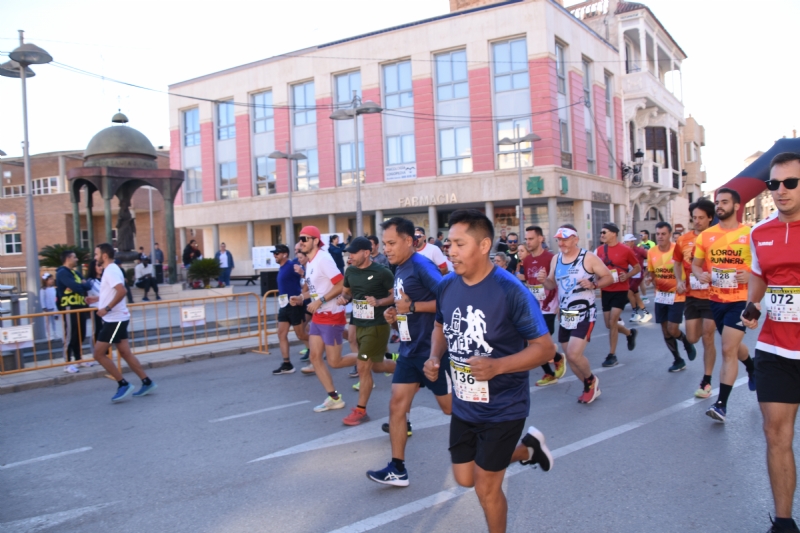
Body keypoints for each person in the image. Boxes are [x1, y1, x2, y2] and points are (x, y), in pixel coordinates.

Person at [423, 209, 555, 533]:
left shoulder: (511, 291)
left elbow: (545, 349)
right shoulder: (446, 285)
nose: (450, 251)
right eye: (448, 243)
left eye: (459, 243)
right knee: (464, 477)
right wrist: (434, 357)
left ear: (483, 246)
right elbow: (440, 325)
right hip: (465, 403)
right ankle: (527, 450)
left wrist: (497, 366)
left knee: (486, 487)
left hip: (504, 406)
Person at [366, 217, 450, 487]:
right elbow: (405, 304)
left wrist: (413, 308)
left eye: (392, 243)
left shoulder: (421, 266)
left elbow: (447, 301)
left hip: (432, 351)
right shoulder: (400, 268)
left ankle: (498, 436)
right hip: (409, 349)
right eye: (385, 244)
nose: (386, 249)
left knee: (451, 410)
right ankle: (397, 468)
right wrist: (395, 315)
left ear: (408, 241)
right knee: (396, 405)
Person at [742, 152, 800, 533]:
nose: (780, 191)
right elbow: (760, 278)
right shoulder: (759, 232)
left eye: (790, 183)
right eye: (773, 184)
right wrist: (752, 305)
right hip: (776, 347)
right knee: (775, 432)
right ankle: (783, 522)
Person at [692, 187, 756, 423]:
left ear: (737, 206)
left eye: (725, 202)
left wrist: (749, 275)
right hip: (715, 299)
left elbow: (763, 267)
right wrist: (700, 275)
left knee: (728, 348)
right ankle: (751, 365)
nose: (719, 206)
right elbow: (697, 266)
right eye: (717, 202)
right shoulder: (706, 236)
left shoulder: (751, 234)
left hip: (740, 300)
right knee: (733, 346)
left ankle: (721, 405)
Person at [538, 225, 614, 404]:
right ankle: (589, 385)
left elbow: (608, 277)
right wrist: (544, 281)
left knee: (573, 354)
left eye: (565, 239)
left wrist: (593, 285)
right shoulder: (556, 259)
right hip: (566, 314)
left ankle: (591, 380)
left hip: (584, 312)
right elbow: (551, 285)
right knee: (571, 358)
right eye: (559, 239)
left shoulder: (588, 258)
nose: (561, 243)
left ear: (575, 239)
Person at [291, 226, 354, 412]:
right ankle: (334, 397)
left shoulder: (323, 259)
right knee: (314, 356)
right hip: (319, 317)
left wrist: (320, 301)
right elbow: (315, 289)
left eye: (305, 238)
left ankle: (370, 357)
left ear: (316, 241)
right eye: (300, 238)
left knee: (335, 362)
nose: (301, 242)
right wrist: (302, 298)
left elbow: (341, 283)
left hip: (332, 315)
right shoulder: (310, 262)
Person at [337, 236, 397, 425]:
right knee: (377, 366)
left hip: (377, 325)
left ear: (366, 252)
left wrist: (379, 302)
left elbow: (394, 295)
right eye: (349, 253)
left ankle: (361, 411)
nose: (351, 256)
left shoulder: (382, 272)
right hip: (359, 323)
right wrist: (343, 298)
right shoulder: (351, 271)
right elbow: (346, 291)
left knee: (363, 366)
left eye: (354, 253)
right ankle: (410, 369)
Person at [87, 243, 157, 402]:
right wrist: (97, 299)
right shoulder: (112, 269)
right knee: (125, 352)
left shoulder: (110, 270)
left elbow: (122, 291)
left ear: (104, 256)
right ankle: (147, 382)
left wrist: (106, 308)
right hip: (119, 318)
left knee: (98, 354)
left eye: (96, 254)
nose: (95, 258)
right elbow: (112, 291)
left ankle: (122, 384)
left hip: (115, 319)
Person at [673, 199, 718, 397]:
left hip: (712, 296)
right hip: (691, 296)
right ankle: (746, 360)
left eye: (701, 217)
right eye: (694, 218)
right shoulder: (683, 240)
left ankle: (706, 381)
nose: (697, 221)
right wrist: (679, 280)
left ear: (710, 218)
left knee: (708, 337)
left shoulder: (718, 237)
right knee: (693, 337)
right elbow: (677, 262)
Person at [647, 221, 696, 372]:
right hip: (661, 296)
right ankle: (678, 359)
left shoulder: (678, 249)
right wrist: (652, 280)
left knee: (673, 329)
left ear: (669, 235)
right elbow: (652, 272)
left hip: (677, 295)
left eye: (663, 234)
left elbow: (688, 269)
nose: (660, 237)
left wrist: (684, 285)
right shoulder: (652, 252)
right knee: (665, 330)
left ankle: (686, 342)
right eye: (658, 234)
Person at [521, 226, 566, 387]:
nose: (528, 242)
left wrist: (558, 305)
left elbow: (557, 283)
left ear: (541, 239)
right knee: (533, 343)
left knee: (541, 341)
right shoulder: (526, 260)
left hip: (549, 306)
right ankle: (549, 372)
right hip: (534, 306)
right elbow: (528, 283)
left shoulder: (551, 258)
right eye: (526, 239)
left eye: (531, 238)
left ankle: (558, 358)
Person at [595, 222, 640, 368]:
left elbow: (637, 267)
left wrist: (627, 276)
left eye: (604, 232)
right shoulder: (600, 250)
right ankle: (629, 333)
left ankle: (612, 355)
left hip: (620, 290)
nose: (601, 235)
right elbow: (595, 268)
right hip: (606, 290)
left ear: (613, 233)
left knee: (613, 320)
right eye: (601, 233)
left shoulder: (625, 250)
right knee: (609, 324)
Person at [272, 244, 310, 375]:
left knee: (301, 335)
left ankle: (319, 349)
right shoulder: (282, 268)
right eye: (274, 253)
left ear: (285, 254)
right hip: (284, 306)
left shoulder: (292, 265)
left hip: (294, 305)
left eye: (277, 253)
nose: (274, 255)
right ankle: (287, 364)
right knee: (281, 334)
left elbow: (308, 280)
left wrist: (301, 297)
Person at [55, 250, 92, 373]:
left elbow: (88, 285)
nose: (77, 260)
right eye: (74, 257)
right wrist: (80, 285)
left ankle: (78, 359)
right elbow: (78, 287)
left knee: (80, 334)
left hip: (80, 306)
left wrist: (79, 286)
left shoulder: (75, 273)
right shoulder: (62, 273)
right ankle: (67, 363)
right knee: (70, 335)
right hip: (69, 307)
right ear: (68, 259)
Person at [623, 234, 651, 323]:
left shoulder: (639, 250)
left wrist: (647, 270)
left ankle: (635, 312)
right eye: (625, 242)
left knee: (629, 292)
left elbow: (650, 258)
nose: (626, 244)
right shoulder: (625, 251)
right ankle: (645, 313)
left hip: (638, 275)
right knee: (636, 295)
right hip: (630, 275)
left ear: (632, 242)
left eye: (627, 242)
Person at [85, 259, 104, 344]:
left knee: (106, 331)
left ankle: (106, 351)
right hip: (95, 309)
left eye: (101, 265)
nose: (101, 268)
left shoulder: (105, 279)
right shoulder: (90, 282)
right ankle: (97, 351)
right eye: (98, 266)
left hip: (106, 308)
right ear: (93, 267)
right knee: (97, 330)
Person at [40, 273, 59, 340]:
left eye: (52, 279)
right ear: (46, 281)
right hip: (47, 308)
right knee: (47, 322)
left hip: (53, 307)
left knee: (53, 322)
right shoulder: (43, 290)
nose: (52, 280)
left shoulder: (53, 288)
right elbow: (42, 299)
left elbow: (54, 298)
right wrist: (44, 307)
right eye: (50, 279)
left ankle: (54, 333)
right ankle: (48, 334)